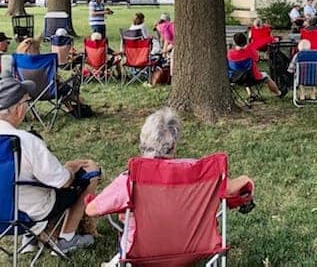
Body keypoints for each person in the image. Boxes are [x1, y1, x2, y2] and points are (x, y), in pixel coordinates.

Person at [86, 108, 254, 265]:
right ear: (174, 144)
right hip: (195, 249)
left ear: (142, 143)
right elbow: (232, 188)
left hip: (141, 254)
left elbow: (92, 210)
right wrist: (246, 179)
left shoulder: (130, 179)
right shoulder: (200, 172)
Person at [0, 78, 99, 255]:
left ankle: (30, 238)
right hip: (30, 213)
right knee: (90, 172)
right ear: (18, 108)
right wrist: (70, 169)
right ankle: (67, 238)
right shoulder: (26, 141)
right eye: (26, 101)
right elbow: (62, 181)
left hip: (4, 217)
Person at [228, 32, 285, 99]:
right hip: (251, 78)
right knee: (266, 77)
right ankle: (279, 93)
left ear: (234, 42)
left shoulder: (230, 53)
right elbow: (257, 59)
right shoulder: (250, 50)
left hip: (235, 78)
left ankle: (250, 94)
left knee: (243, 71)